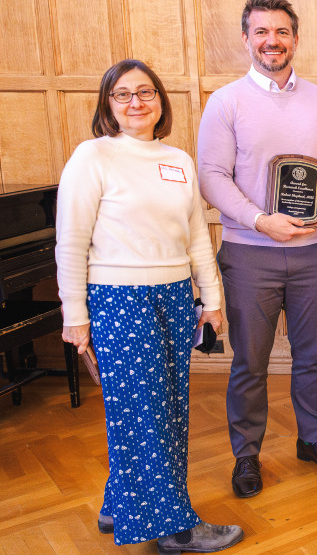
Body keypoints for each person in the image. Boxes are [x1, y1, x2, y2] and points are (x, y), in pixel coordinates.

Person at [56, 59, 243, 553]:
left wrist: (212, 300)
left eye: (146, 92)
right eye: (123, 94)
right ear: (107, 105)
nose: (136, 102)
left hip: (175, 296)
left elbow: (198, 236)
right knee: (145, 414)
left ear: (160, 100)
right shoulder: (92, 157)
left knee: (167, 410)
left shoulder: (178, 160)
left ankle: (120, 505)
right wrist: (75, 316)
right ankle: (173, 528)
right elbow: (70, 243)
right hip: (118, 302)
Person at [198, 0, 317, 499]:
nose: (272, 40)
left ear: (295, 39)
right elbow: (213, 177)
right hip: (249, 252)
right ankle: (247, 455)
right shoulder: (225, 102)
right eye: (261, 31)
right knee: (249, 362)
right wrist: (261, 221)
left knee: (312, 356)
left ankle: (312, 438)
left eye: (281, 31)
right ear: (246, 40)